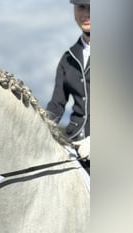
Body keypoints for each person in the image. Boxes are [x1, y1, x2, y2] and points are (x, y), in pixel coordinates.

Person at [46, 0, 90, 173]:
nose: (86, 13)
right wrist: (39, 130)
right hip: (74, 145)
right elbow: (56, 106)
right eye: (81, 7)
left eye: (92, 7)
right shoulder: (68, 59)